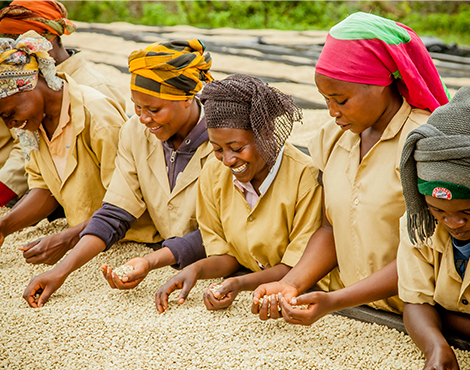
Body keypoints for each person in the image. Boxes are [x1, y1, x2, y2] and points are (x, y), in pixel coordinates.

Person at [252, 12, 450, 322]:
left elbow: (428, 251)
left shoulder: (421, 143)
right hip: (353, 308)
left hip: (417, 314)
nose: (331, 111)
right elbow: (331, 227)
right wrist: (290, 284)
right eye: (325, 99)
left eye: (341, 100)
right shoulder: (333, 139)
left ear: (381, 83)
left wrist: (334, 301)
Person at [22, 39, 215, 308]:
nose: (144, 118)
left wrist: (151, 261)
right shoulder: (135, 132)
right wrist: (61, 271)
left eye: (154, 109)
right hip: (169, 259)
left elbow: (218, 233)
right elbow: (114, 213)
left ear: (186, 98)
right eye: (137, 107)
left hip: (218, 267)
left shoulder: (223, 144)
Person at [154, 73, 323, 314]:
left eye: (237, 148)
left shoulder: (305, 178)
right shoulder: (213, 173)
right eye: (217, 149)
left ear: (266, 132)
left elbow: (297, 266)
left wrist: (239, 283)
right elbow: (226, 253)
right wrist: (195, 270)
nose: (228, 160)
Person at [0, 31, 126, 264]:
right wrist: (4, 227)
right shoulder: (34, 126)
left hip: (126, 241)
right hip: (88, 239)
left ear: (29, 84)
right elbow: (44, 189)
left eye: (10, 114)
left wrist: (68, 239)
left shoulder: (97, 118)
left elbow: (123, 202)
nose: (10, 125)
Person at [0, 0, 126, 208]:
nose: (11, 55)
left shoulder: (95, 93)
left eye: (16, 46)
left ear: (41, 46)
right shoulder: (26, 98)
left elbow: (121, 194)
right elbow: (42, 182)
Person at [398, 86, 470, 370]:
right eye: (438, 210)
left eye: (467, 212)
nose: (453, 223)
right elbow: (415, 301)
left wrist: (441, 314)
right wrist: (435, 347)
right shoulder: (419, 224)